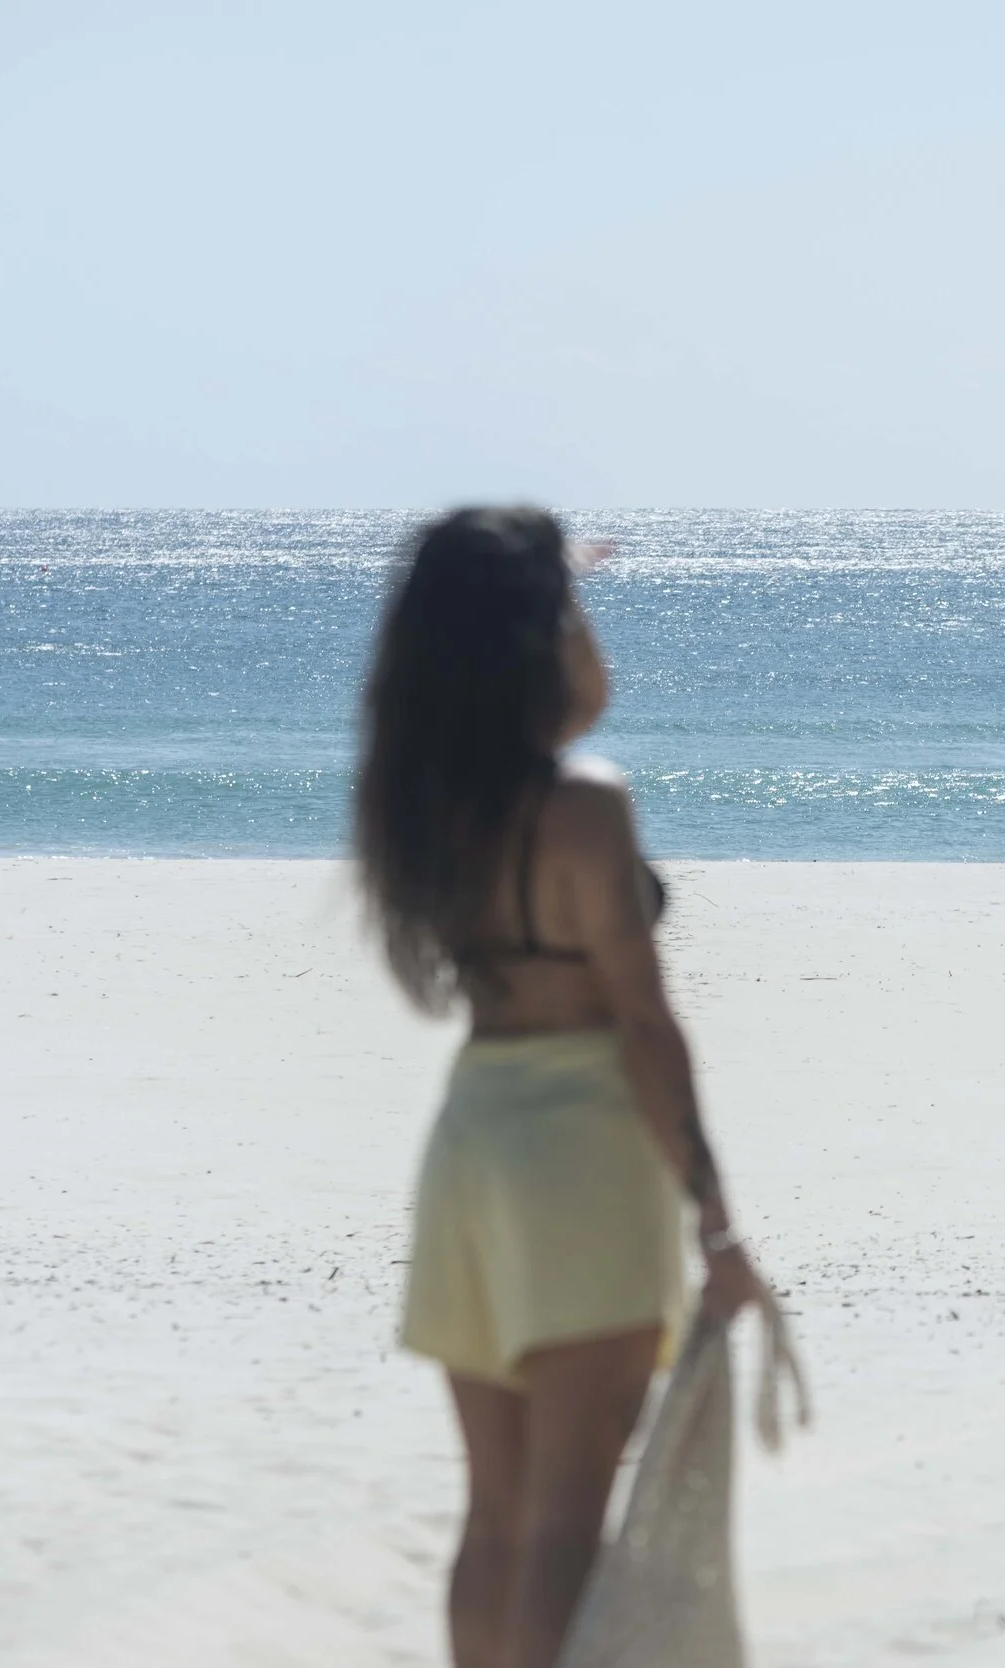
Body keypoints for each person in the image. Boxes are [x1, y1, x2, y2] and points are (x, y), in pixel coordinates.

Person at [354, 506, 766, 1668]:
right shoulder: (583, 805)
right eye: (577, 614)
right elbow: (640, 1022)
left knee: (495, 1515)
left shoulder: (424, 807)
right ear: (538, 646)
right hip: (579, 1150)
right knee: (562, 1521)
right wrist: (716, 1223)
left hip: (474, 1137)